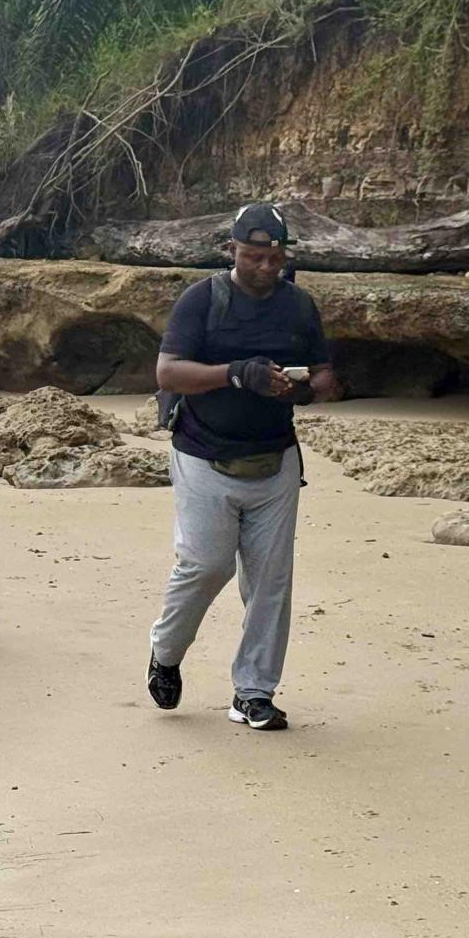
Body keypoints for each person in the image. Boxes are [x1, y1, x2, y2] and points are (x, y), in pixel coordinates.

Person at [145, 202, 338, 732]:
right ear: (232, 250)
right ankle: (166, 651)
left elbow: (326, 378)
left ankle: (254, 692)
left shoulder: (298, 306)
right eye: (253, 256)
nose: (265, 267)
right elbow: (168, 372)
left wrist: (302, 389)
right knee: (206, 565)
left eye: (275, 257)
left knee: (270, 582)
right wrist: (236, 374)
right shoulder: (202, 300)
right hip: (203, 454)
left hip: (275, 460)